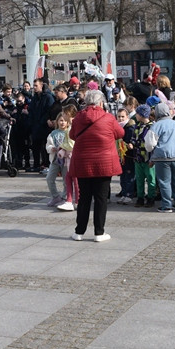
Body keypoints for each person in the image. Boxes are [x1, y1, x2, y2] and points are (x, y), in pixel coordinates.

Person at [67, 90, 123, 241]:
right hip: (104, 163)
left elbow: (72, 135)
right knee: (101, 198)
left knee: (84, 197)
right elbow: (121, 133)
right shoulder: (109, 118)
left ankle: (79, 232)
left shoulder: (79, 118)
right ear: (101, 102)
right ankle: (99, 232)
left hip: (83, 162)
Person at [146, 101, 175, 213]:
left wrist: (151, 153)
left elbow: (149, 144)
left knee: (164, 181)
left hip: (162, 157)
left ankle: (166, 205)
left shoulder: (156, 126)